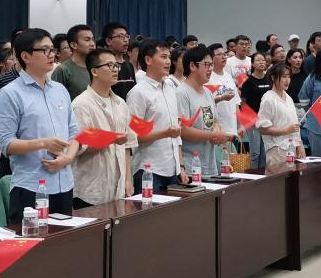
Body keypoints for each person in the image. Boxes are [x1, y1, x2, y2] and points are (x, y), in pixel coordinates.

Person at [0, 29, 81, 220]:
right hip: (30, 187)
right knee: (33, 238)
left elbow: (74, 132)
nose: (51, 55)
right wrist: (43, 143)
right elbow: (6, 143)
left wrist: (68, 158)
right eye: (44, 50)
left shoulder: (60, 90)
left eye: (52, 49)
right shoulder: (10, 93)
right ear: (25, 56)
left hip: (65, 183)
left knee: (65, 238)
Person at [71, 48, 136, 207]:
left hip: (119, 188)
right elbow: (80, 147)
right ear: (94, 71)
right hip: (91, 190)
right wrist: (111, 139)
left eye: (116, 66)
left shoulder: (121, 103)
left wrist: (128, 179)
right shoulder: (81, 104)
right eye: (109, 66)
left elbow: (127, 145)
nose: (115, 70)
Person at [126, 39, 185, 193]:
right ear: (148, 60)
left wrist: (181, 166)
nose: (168, 62)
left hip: (173, 169)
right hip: (149, 170)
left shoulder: (170, 88)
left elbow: (177, 132)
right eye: (163, 57)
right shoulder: (138, 93)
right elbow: (134, 136)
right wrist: (165, 133)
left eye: (169, 57)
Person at [178, 45, 232, 178]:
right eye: (207, 64)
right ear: (192, 66)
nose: (211, 69)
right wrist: (213, 135)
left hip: (210, 165)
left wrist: (216, 131)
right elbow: (183, 130)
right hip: (191, 167)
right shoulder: (181, 93)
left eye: (211, 65)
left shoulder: (207, 92)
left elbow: (215, 121)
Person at [257, 62, 304, 166]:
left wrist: (299, 144)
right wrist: (285, 130)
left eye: (289, 76)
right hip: (276, 150)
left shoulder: (288, 97)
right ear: (273, 77)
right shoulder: (268, 99)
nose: (287, 80)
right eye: (283, 77)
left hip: (291, 149)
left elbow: (294, 124)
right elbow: (262, 128)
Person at [239, 51, 272, 168]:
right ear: (252, 64)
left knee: (264, 152)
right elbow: (243, 103)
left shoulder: (269, 80)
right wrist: (244, 123)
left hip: (266, 120)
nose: (262, 62)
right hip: (252, 120)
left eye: (263, 60)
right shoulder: (248, 82)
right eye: (258, 60)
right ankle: (253, 175)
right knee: (255, 153)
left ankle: (263, 175)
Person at [51, 24, 94, 99]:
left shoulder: (97, 67)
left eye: (92, 39)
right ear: (74, 45)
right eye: (87, 40)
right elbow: (55, 99)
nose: (92, 44)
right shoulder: (63, 70)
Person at [207, 43, 239, 139]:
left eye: (224, 54)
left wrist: (240, 125)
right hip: (216, 131)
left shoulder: (228, 76)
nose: (224, 57)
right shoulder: (208, 77)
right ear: (211, 58)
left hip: (232, 129)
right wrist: (221, 98)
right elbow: (205, 103)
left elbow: (236, 102)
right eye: (219, 54)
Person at [102, 22, 136, 100]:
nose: (126, 40)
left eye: (127, 36)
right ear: (109, 41)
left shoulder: (129, 65)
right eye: (121, 36)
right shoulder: (104, 66)